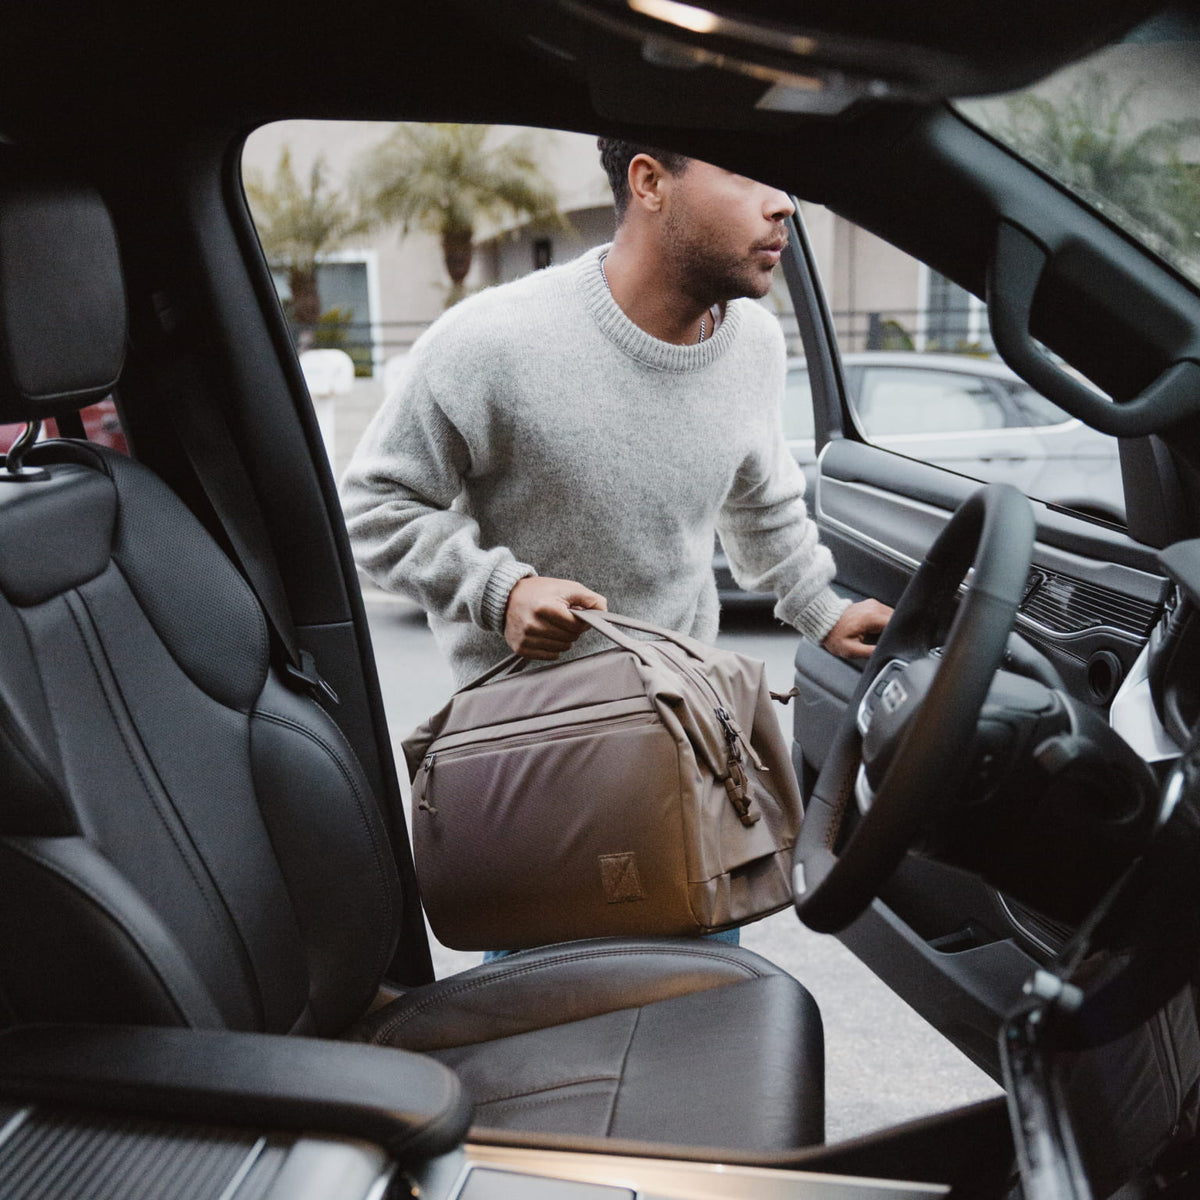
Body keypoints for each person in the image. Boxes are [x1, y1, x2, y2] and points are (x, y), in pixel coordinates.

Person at [342, 140, 891, 692]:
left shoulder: (755, 343)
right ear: (650, 183)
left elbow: (761, 505)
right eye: (745, 172)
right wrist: (501, 592)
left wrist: (823, 612)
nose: (783, 203)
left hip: (683, 708)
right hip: (528, 725)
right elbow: (373, 508)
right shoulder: (488, 342)